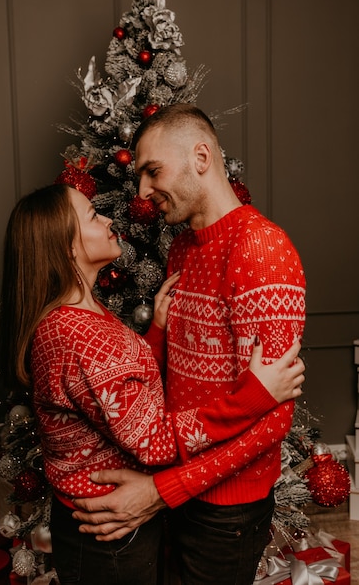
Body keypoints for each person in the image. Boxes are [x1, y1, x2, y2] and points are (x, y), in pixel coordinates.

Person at [0, 182, 304, 585]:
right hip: (109, 536)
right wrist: (255, 396)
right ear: (67, 246)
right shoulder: (81, 336)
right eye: (92, 215)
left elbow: (120, 396)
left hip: (101, 523)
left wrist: (157, 333)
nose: (109, 218)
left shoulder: (74, 315)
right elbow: (155, 441)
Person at [71, 104, 307, 585]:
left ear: (201, 156)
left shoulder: (261, 249)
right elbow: (170, 378)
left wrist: (162, 490)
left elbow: (273, 416)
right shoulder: (183, 246)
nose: (141, 192)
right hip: (180, 488)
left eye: (152, 171)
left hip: (225, 512)